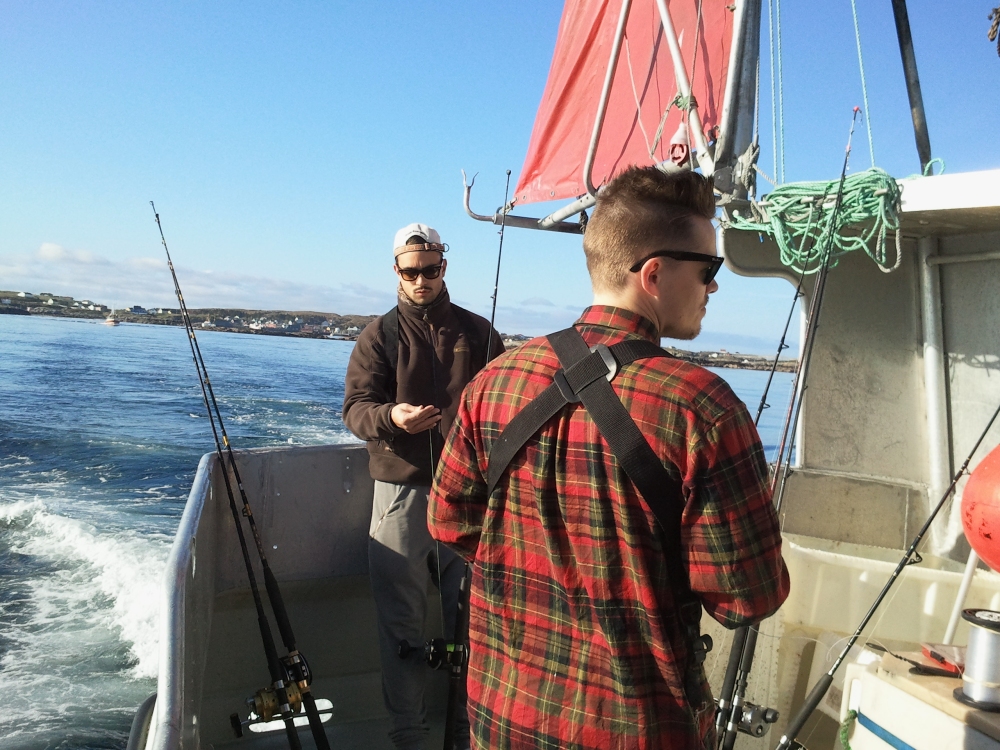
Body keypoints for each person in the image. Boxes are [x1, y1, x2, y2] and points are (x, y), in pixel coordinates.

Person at [428, 167, 790, 750]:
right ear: (654, 273)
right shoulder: (704, 407)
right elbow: (747, 597)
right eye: (709, 269)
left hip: (502, 718)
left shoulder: (493, 381)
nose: (713, 287)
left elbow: (449, 524)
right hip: (636, 731)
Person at [342, 223, 500, 750]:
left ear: (443, 267)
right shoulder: (378, 336)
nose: (421, 280)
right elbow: (355, 409)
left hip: (471, 496)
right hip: (402, 498)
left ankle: (465, 736)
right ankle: (408, 737)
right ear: (397, 271)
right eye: (410, 271)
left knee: (475, 626)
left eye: (430, 269)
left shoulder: (480, 333)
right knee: (401, 628)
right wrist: (393, 418)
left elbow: (505, 406)